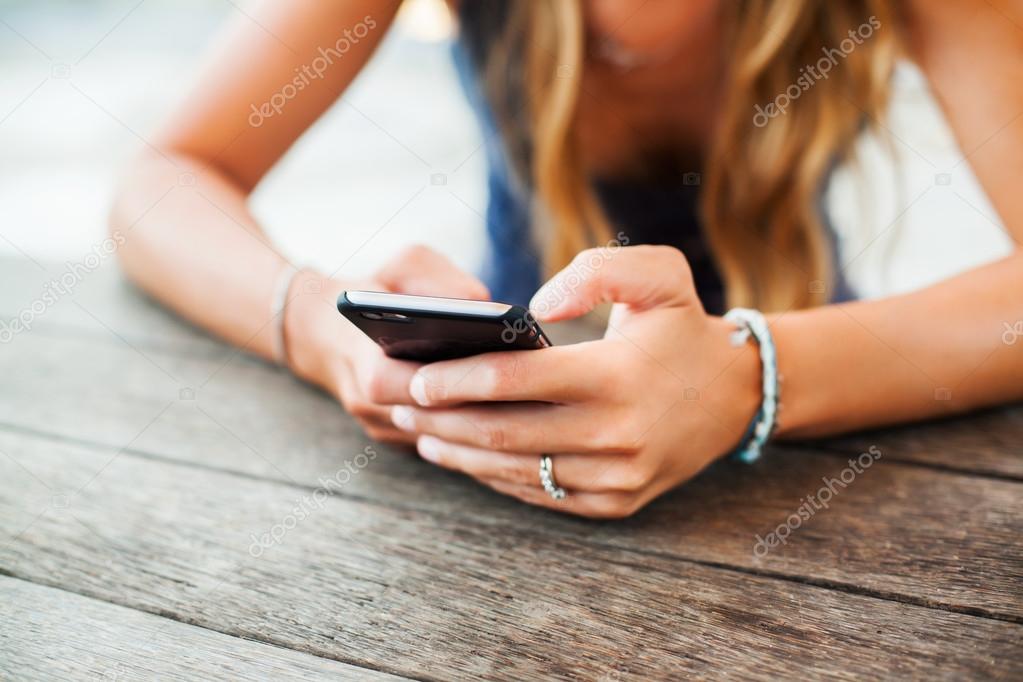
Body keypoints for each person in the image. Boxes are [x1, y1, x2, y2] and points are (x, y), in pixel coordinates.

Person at [110, 0, 1023, 518]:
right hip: (493, 454)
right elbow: (157, 184)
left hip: (832, 429)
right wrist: (320, 329)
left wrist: (745, 378)